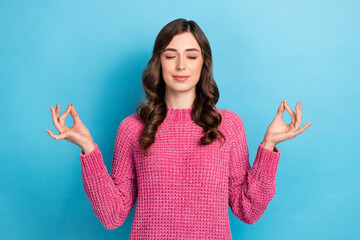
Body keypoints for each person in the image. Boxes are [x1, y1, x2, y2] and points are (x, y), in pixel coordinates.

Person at [46, 18, 312, 239]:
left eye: (191, 56)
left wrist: (268, 147)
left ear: (203, 63)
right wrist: (88, 149)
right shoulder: (132, 128)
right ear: (158, 63)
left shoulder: (228, 125)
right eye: (170, 55)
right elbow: (113, 216)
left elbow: (247, 210)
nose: (181, 65)